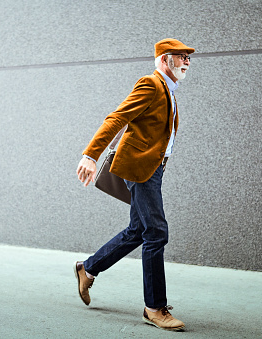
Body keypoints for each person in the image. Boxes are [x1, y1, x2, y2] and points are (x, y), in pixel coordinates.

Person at [75, 38, 194, 331]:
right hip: (140, 170)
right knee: (156, 231)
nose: (187, 62)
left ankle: (88, 268)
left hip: (153, 168)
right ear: (165, 60)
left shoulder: (169, 90)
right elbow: (117, 117)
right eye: (182, 57)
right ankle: (154, 308)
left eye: (189, 58)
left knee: (138, 230)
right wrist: (90, 155)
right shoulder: (151, 84)